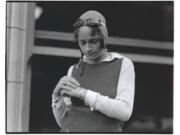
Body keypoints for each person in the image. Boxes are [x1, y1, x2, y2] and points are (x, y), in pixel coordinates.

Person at [52, 10, 135, 132]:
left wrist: (84, 94)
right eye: (82, 42)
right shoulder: (74, 69)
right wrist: (56, 96)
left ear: (103, 38)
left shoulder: (123, 64)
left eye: (93, 41)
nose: (88, 48)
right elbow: (63, 122)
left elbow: (125, 112)